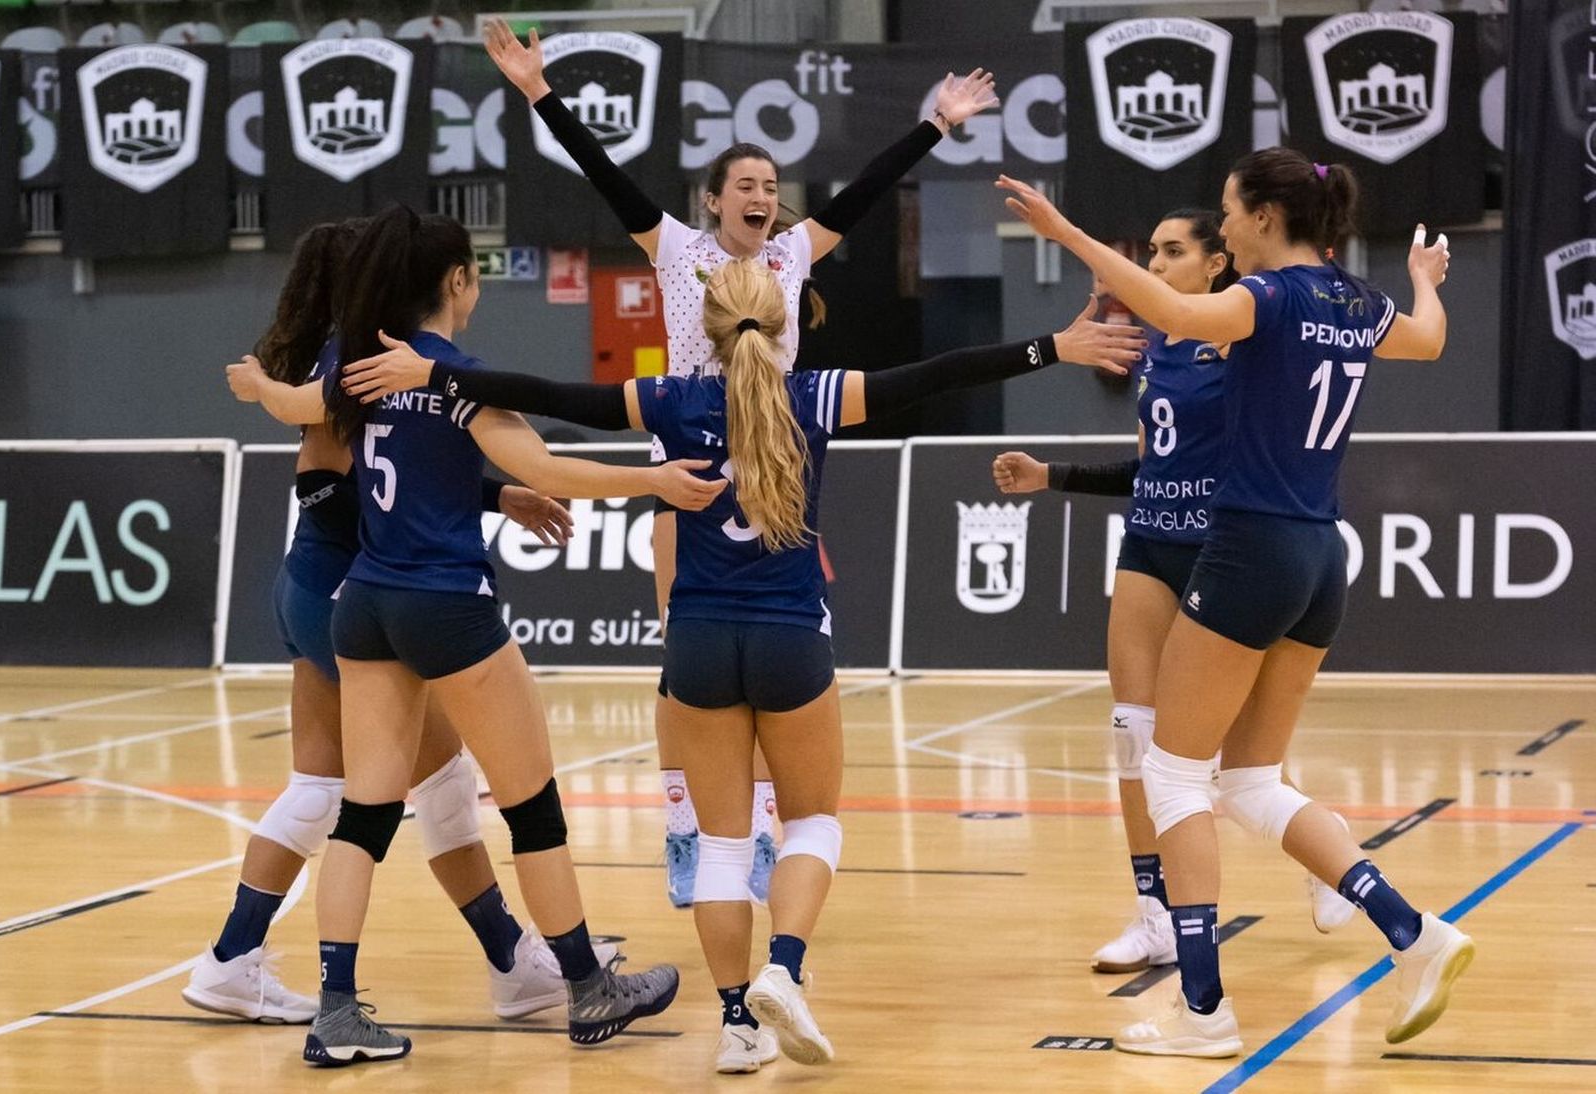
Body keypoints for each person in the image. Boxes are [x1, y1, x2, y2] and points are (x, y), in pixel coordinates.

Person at [336, 256, 1140, 1073]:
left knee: (721, 845)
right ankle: (783, 971)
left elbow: (550, 394)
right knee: (814, 822)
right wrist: (1052, 348)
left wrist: (433, 370)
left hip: (697, 641)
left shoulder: (672, 399)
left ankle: (734, 1026)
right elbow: (939, 374)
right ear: (783, 324)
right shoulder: (817, 396)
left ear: (707, 328)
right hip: (789, 635)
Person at [484, 17, 1001, 908]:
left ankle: (759, 830)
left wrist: (937, 121)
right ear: (715, 201)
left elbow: (869, 189)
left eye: (771, 185)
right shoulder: (677, 251)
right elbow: (605, 176)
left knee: (771, 667)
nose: (764, 195)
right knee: (683, 669)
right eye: (747, 185)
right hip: (684, 464)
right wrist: (539, 93)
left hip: (775, 462)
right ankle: (685, 826)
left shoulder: (792, 254)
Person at [998, 149, 1469, 1058]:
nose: (1225, 226)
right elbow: (1433, 338)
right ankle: (1418, 934)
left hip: (1250, 545)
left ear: (1261, 218)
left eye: (1229, 211)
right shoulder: (1357, 302)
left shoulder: (1275, 298)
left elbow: (1171, 310)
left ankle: (1203, 1012)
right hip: (1321, 552)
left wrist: (1063, 234)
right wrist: (1421, 281)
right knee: (1249, 781)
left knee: (1174, 773)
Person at [235, 205, 723, 1067]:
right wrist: (654, 479)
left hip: (364, 604)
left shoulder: (355, 365)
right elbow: (545, 466)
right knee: (532, 806)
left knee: (364, 815)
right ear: (456, 281)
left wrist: (255, 385)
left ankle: (337, 1009)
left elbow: (290, 404)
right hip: (446, 603)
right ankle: (587, 987)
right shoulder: (456, 373)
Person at [199, 220, 614, 1027]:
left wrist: (492, 495)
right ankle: (518, 963)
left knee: (337, 791)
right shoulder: (369, 364)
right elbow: (343, 489)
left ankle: (239, 961)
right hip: (346, 589)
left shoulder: (357, 363)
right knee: (418, 792)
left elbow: (397, 461)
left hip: (330, 591)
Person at [991, 210, 1357, 976]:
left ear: (1215, 264)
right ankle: (1154, 916)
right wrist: (1049, 476)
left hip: (1225, 549)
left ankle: (1328, 859)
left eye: (1172, 250)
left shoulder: (1247, 345)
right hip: (1150, 545)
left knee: (1228, 758)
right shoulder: (1157, 347)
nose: (1156, 263)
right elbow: (1149, 469)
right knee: (1133, 733)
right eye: (1150, 250)